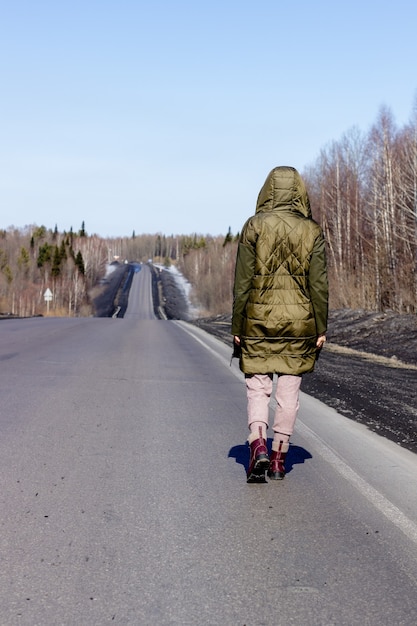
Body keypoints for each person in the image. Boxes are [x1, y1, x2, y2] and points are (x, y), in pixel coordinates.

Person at [232, 166, 328, 483]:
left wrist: (237, 324)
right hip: (300, 324)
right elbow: (319, 285)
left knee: (258, 389)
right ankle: (277, 459)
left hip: (258, 321)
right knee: (289, 394)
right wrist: (321, 327)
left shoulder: (254, 226)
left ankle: (257, 443)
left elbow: (242, 283)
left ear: (267, 190)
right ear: (299, 191)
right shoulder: (311, 230)